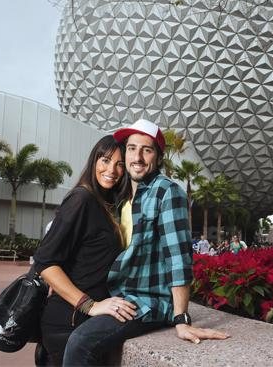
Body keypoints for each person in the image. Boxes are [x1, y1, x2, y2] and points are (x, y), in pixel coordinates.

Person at [63, 119, 230, 366]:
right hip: (117, 294)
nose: (137, 157)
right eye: (132, 148)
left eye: (147, 149)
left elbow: (178, 258)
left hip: (147, 301)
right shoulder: (121, 196)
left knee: (81, 342)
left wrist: (181, 319)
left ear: (158, 157)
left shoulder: (167, 192)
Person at [32, 135, 133, 366]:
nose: (112, 170)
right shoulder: (82, 199)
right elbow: (45, 263)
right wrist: (91, 305)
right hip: (69, 321)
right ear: (94, 161)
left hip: (87, 323)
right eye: (105, 160)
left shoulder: (106, 204)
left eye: (120, 164)